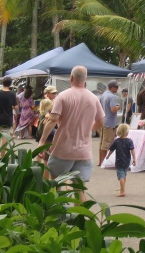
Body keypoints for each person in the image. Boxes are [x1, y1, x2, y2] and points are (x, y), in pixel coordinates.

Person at [40, 65, 105, 201]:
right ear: (85, 79)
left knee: (56, 184)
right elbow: (101, 122)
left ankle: (56, 217)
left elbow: (52, 120)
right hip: (84, 152)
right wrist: (88, 130)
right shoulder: (93, 98)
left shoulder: (63, 96)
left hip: (62, 150)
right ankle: (80, 220)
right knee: (79, 190)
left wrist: (42, 141)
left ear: (71, 78)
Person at [108, 122, 137, 197]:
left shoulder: (116, 141)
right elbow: (132, 150)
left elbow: (111, 149)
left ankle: (122, 191)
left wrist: (108, 156)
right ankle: (122, 188)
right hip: (127, 161)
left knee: (120, 176)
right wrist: (134, 158)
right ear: (127, 132)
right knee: (124, 175)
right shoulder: (129, 141)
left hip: (119, 161)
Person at [99, 80, 121, 165]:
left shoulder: (104, 95)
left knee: (102, 141)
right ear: (112, 87)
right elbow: (112, 109)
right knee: (108, 142)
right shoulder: (112, 96)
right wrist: (118, 107)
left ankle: (101, 161)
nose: (117, 89)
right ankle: (105, 161)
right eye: (116, 87)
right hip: (109, 123)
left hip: (103, 120)